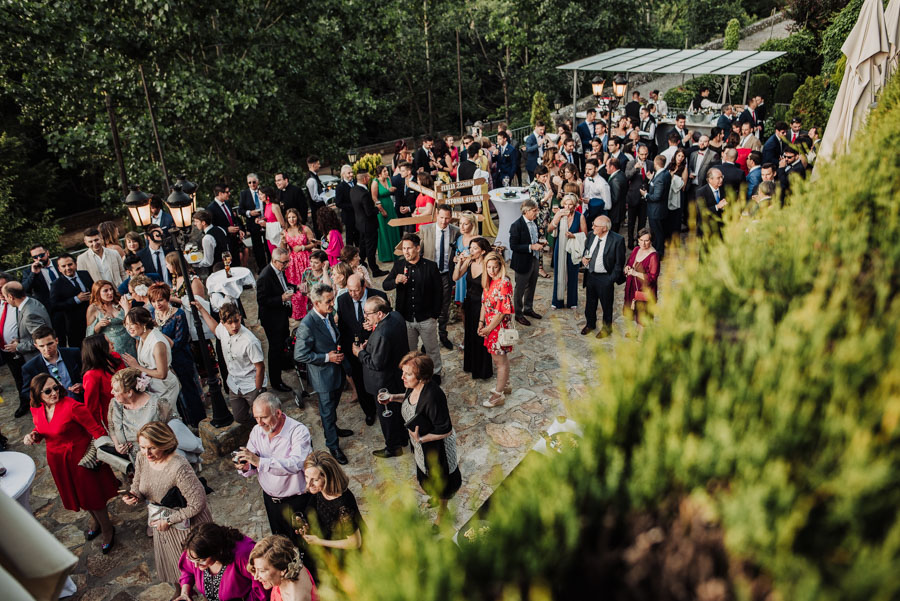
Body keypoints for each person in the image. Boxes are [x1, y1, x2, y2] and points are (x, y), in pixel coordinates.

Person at [23, 373, 118, 553]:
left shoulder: (73, 407)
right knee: (79, 496)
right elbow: (42, 428)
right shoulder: (36, 408)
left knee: (92, 496)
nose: (54, 393)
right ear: (38, 395)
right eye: (48, 391)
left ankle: (107, 529)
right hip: (58, 461)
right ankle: (96, 521)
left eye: (56, 388)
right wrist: (34, 435)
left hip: (81, 459)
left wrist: (102, 453)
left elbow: (96, 429)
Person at [122, 421, 213, 583]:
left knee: (199, 570)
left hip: (187, 525)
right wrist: (134, 495)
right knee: (173, 564)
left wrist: (169, 520)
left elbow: (198, 503)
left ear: (164, 443)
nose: (146, 452)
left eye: (152, 447)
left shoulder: (178, 466)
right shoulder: (142, 458)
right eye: (142, 447)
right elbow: (138, 484)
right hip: (161, 521)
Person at [234, 394, 313, 547]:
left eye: (263, 417)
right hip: (271, 502)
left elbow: (295, 464)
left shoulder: (298, 431)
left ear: (277, 413)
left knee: (306, 546)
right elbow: (252, 459)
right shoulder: (257, 431)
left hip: (296, 501)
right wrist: (246, 465)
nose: (259, 423)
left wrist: (258, 461)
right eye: (256, 417)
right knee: (282, 545)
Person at [395, 352, 460, 523]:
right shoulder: (413, 387)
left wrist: (421, 439)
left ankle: (443, 513)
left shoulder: (433, 396)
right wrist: (393, 398)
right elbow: (411, 400)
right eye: (403, 372)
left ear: (422, 377)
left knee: (441, 483)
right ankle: (436, 498)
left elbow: (446, 430)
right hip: (421, 446)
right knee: (426, 476)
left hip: (437, 450)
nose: (402, 377)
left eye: (408, 373)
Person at [294, 284, 353, 465]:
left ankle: (333, 429)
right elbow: (300, 354)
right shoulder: (307, 325)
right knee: (326, 412)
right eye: (328, 301)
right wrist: (327, 357)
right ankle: (333, 445)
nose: (332, 304)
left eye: (332, 299)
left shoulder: (327, 316)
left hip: (337, 371)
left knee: (333, 406)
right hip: (323, 377)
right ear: (316, 303)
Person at [353, 295, 409, 457]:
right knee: (398, 411)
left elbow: (376, 363)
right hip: (398, 372)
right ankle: (403, 438)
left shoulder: (382, 333)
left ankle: (392, 447)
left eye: (368, 314)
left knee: (387, 415)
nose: (365, 317)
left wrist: (360, 352)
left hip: (384, 381)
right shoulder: (396, 316)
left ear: (379, 314)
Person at [382, 233, 444, 381]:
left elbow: (439, 293)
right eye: (404, 248)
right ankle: (414, 375)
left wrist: (434, 315)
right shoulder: (399, 266)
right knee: (410, 352)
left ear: (417, 248)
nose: (406, 252)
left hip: (426, 318)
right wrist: (395, 280)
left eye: (409, 248)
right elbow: (385, 285)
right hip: (406, 319)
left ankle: (436, 374)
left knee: (432, 350)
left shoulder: (430, 266)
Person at [193, 301, 265, 424]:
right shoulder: (222, 329)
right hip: (234, 384)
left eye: (236, 321)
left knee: (263, 417)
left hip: (251, 385)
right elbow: (214, 328)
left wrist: (258, 390)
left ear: (240, 317)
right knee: (239, 417)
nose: (234, 326)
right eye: (229, 323)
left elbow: (260, 367)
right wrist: (201, 309)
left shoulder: (250, 341)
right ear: (223, 323)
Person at [145, 283, 206, 428]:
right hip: (163, 363)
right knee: (172, 394)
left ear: (167, 299)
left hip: (180, 358)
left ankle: (198, 422)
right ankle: (181, 423)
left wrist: (162, 349)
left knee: (188, 389)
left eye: (160, 300)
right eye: (153, 301)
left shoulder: (178, 314)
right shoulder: (152, 315)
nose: (157, 304)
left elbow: (180, 341)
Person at [336, 274, 387, 426]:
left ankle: (384, 406)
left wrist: (374, 326)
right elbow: (343, 328)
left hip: (376, 347)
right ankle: (369, 412)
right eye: (350, 290)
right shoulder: (342, 300)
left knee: (379, 379)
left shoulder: (380, 296)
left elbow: (387, 320)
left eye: (356, 291)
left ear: (364, 286)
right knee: (359, 381)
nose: (352, 294)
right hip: (354, 350)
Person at [175, 523, 267, 601]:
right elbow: (187, 570)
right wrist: (185, 593)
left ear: (217, 552)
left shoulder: (244, 555)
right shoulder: (194, 551)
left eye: (202, 560)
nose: (195, 565)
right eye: (192, 560)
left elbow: (261, 588)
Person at [300, 451, 363, 560]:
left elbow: (355, 543)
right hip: (329, 544)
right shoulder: (320, 489)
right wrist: (303, 522)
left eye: (315, 480)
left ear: (328, 477)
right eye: (306, 477)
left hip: (347, 555)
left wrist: (319, 542)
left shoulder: (343, 506)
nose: (308, 485)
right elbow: (312, 508)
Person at [121, 306, 182, 413]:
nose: (128, 327)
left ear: (143, 324)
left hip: (165, 387)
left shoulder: (157, 343)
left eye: (132, 324)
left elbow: (162, 374)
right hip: (154, 386)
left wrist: (137, 367)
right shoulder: (144, 335)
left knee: (167, 418)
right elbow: (171, 343)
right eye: (126, 324)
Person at [108, 366, 174, 461]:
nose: (112, 392)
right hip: (136, 461)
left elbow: (174, 429)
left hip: (160, 459)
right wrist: (117, 445)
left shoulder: (158, 403)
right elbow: (112, 427)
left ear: (129, 392)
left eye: (116, 390)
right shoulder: (114, 404)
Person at [418, 204, 459, 350]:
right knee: (427, 307)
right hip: (429, 276)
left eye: (447, 218)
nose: (444, 221)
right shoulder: (425, 230)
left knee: (444, 307)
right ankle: (427, 340)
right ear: (437, 215)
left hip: (446, 275)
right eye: (441, 217)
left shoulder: (456, 232)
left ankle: (443, 335)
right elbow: (420, 254)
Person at [453, 237, 493, 379]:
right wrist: (459, 262)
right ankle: (470, 365)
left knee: (480, 336)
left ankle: (482, 370)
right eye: (470, 248)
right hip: (469, 303)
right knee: (469, 334)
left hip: (482, 305)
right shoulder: (469, 262)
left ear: (482, 251)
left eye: (475, 248)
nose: (471, 251)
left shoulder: (488, 265)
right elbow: (455, 277)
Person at [256, 248, 295, 393]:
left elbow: (283, 286)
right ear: (274, 260)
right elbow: (262, 300)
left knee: (284, 342)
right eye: (284, 262)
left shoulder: (280, 270)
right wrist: (281, 299)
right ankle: (276, 381)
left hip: (281, 314)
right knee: (275, 348)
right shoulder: (265, 277)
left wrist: (295, 288)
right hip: (272, 319)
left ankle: (284, 363)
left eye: (287, 261)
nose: (287, 265)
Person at [581, 215, 626, 339]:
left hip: (605, 278)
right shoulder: (591, 235)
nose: (592, 227)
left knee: (606, 305)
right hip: (591, 275)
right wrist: (584, 258)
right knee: (590, 303)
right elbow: (587, 250)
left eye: (595, 225)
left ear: (604, 229)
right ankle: (590, 324)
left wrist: (610, 279)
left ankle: (607, 328)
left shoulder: (617, 240)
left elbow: (619, 263)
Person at [479, 251, 514, 408]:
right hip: (489, 327)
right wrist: (481, 323)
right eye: (489, 267)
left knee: (500, 362)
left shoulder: (503, 283)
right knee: (498, 359)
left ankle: (498, 395)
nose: (492, 271)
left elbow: (501, 312)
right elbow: (484, 304)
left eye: (495, 267)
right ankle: (505, 385)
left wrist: (488, 328)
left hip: (498, 329)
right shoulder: (489, 282)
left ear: (501, 266)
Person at [20, 325, 83, 411]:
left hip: (79, 403)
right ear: (36, 346)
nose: (47, 349)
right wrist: (44, 397)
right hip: (54, 410)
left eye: (50, 344)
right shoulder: (30, 367)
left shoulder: (73, 353)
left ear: (56, 340)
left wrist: (82, 385)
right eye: (42, 346)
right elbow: (26, 393)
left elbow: (86, 373)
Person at [508, 200, 545, 326]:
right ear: (526, 211)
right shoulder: (516, 225)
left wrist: (540, 242)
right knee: (520, 289)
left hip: (534, 259)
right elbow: (513, 246)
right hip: (522, 262)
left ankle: (528, 309)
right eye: (534, 210)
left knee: (532, 285)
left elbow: (533, 238)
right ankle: (518, 314)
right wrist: (531, 247)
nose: (537, 213)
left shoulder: (534, 222)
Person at [249, 535, 318, 601]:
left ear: (282, 570)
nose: (256, 577)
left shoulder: (295, 598)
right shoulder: (292, 565)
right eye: (256, 568)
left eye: (262, 571)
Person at [548, 194, 587, 310]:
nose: (567, 206)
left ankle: (572, 301)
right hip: (559, 246)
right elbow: (549, 229)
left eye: (570, 204)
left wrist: (573, 236)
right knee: (558, 274)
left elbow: (585, 234)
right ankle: (557, 301)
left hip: (573, 247)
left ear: (574, 205)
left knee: (573, 274)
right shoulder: (559, 214)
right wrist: (556, 218)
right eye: (565, 203)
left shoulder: (580, 217)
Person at [81, 333, 125, 429]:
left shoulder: (116, 357)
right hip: (115, 417)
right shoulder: (91, 375)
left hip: (133, 407)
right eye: (108, 342)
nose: (113, 343)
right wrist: (101, 433)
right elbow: (92, 408)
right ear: (100, 348)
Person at [50, 253, 94, 347]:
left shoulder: (85, 274)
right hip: (75, 326)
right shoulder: (56, 284)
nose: (68, 268)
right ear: (59, 269)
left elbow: (94, 289)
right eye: (64, 266)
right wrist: (75, 300)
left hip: (93, 318)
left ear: (75, 264)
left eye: (70, 264)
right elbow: (54, 306)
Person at [281, 208, 316, 320]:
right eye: (289, 217)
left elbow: (314, 244)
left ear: (297, 217)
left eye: (294, 217)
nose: (291, 219)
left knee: (309, 284)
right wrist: (283, 242)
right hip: (293, 264)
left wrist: (302, 247)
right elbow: (283, 250)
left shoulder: (305, 229)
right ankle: (299, 312)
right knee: (297, 287)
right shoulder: (285, 232)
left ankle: (313, 308)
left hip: (306, 259)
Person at [85, 280, 135, 356]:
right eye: (106, 291)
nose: (110, 292)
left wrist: (127, 309)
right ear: (98, 293)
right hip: (112, 347)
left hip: (130, 342)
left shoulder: (119, 302)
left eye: (111, 289)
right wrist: (98, 325)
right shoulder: (93, 308)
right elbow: (89, 336)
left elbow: (132, 322)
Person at [624, 228, 660, 333]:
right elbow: (630, 262)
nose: (643, 243)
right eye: (641, 240)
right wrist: (627, 267)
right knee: (635, 312)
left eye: (646, 240)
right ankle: (636, 331)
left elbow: (653, 277)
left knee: (643, 314)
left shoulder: (653, 256)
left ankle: (641, 339)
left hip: (644, 290)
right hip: (633, 287)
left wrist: (635, 273)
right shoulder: (636, 249)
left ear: (651, 241)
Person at [350, 171, 386, 276]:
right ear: (365, 179)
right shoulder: (364, 194)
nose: (370, 178)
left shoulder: (353, 190)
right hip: (369, 225)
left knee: (363, 246)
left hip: (360, 224)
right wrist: (378, 208)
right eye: (368, 177)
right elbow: (369, 212)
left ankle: (361, 263)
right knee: (371, 248)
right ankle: (375, 270)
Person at [642, 155, 671, 259]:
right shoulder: (665, 173)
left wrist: (645, 194)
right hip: (661, 209)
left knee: (657, 232)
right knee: (659, 231)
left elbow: (656, 196)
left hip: (656, 210)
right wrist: (651, 179)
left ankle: (659, 253)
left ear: (656, 164)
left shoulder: (661, 177)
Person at [372, 165, 401, 263]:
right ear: (379, 173)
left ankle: (395, 253)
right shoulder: (375, 182)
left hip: (390, 205)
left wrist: (391, 190)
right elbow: (374, 198)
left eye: (387, 171)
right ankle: (386, 255)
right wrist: (381, 209)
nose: (387, 173)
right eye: (384, 171)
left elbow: (389, 191)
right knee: (384, 230)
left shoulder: (388, 179)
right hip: (382, 207)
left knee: (393, 228)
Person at [239, 172, 269, 270]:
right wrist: (249, 213)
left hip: (266, 222)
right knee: (257, 248)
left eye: (254, 182)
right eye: (249, 183)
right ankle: (262, 268)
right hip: (253, 224)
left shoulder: (263, 191)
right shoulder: (244, 194)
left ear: (258, 182)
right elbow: (240, 210)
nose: (252, 184)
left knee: (268, 245)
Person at [23, 244, 62, 312]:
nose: (39, 258)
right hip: (50, 307)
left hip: (67, 300)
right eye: (35, 257)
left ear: (47, 253)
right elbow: (25, 289)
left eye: (41, 255)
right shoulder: (29, 272)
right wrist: (33, 273)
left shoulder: (59, 263)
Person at [451, 211, 479, 306]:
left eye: (465, 224)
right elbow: (457, 256)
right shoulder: (459, 239)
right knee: (462, 307)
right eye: (460, 223)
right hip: (460, 276)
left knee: (473, 306)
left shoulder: (478, 240)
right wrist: (456, 258)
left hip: (472, 277)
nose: (461, 227)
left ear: (472, 224)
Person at [333, 165, 359, 248]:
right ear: (343, 174)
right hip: (349, 216)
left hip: (359, 214)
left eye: (352, 172)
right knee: (350, 237)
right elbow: (338, 203)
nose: (351, 174)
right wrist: (352, 206)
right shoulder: (340, 187)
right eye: (349, 173)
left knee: (359, 235)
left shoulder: (356, 182)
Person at [667, 149, 689, 240]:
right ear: (675, 156)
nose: (680, 158)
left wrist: (674, 179)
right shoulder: (670, 165)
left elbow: (683, 186)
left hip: (678, 194)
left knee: (676, 218)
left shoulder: (684, 168)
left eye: (682, 156)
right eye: (679, 155)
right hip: (668, 193)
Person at [305, 156, 328, 238]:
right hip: (317, 210)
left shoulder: (314, 176)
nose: (320, 165)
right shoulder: (311, 180)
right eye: (318, 164)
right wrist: (326, 197)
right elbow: (315, 197)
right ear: (313, 165)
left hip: (319, 209)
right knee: (321, 231)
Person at [262, 185, 287, 253]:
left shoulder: (274, 206)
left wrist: (266, 224)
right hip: (270, 234)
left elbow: (282, 224)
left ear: (267, 195)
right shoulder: (266, 205)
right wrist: (264, 220)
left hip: (278, 235)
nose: (259, 196)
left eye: (261, 194)